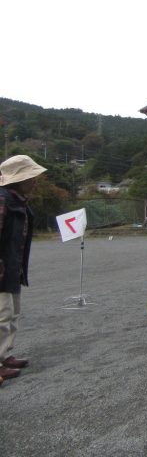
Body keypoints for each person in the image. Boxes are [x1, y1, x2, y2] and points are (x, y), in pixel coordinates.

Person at [0, 155, 48, 385]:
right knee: (2, 315)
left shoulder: (17, 201)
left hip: (13, 267)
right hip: (2, 268)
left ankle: (4, 355)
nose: (35, 181)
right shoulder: (3, 200)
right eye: (31, 176)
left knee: (12, 313)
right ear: (18, 179)